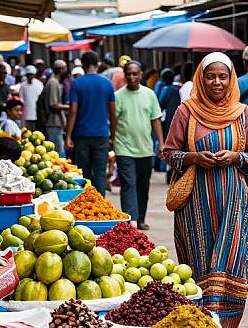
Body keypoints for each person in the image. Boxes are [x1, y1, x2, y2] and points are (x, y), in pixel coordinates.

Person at [162, 53, 248, 328]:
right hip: (195, 204)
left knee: (231, 260)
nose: (216, 82)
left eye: (223, 76)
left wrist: (235, 157)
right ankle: (201, 324)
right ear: (201, 79)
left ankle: (223, 327)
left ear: (231, 79)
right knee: (199, 261)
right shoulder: (186, 111)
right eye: (210, 76)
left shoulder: (243, 114)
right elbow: (169, 153)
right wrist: (193, 157)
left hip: (233, 202)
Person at [115, 61, 164, 230]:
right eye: (128, 74)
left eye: (135, 73)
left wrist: (161, 144)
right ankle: (130, 220)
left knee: (143, 185)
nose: (132, 77)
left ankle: (140, 218)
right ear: (124, 75)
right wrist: (112, 141)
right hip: (124, 148)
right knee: (129, 184)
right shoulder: (118, 96)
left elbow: (155, 119)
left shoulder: (149, 95)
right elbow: (114, 122)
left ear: (141, 74)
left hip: (145, 149)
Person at [65, 51, 116, 196]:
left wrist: (68, 136)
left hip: (81, 135)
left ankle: (85, 202)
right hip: (101, 134)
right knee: (100, 171)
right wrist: (113, 135)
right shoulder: (107, 84)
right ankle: (100, 204)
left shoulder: (76, 84)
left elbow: (73, 111)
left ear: (83, 65)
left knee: (84, 171)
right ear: (97, 63)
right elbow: (113, 113)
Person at [38, 60, 69, 154]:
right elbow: (53, 104)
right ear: (60, 70)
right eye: (65, 68)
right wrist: (68, 107)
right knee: (58, 152)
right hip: (53, 122)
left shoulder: (54, 82)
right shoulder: (53, 83)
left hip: (56, 123)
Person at [19, 65, 44, 131]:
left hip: (37, 113)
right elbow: (21, 100)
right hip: (26, 113)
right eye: (28, 75)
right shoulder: (23, 86)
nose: (30, 76)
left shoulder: (39, 84)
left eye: (31, 75)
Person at [159, 70, 182, 140]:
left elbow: (161, 103)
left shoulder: (166, 90)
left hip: (168, 118)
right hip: (178, 117)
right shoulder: (178, 88)